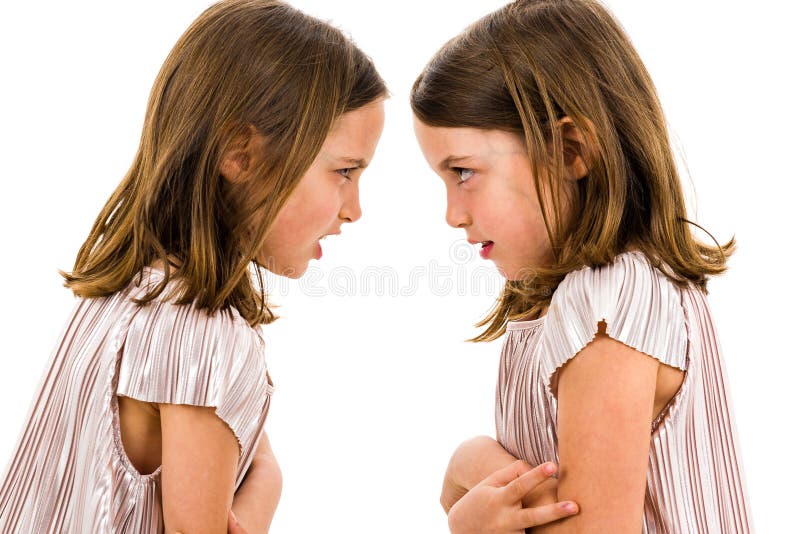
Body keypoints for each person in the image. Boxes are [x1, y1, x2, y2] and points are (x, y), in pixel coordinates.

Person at [0, 1, 386, 532]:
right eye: (344, 171)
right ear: (239, 154)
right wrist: (269, 481)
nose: (354, 209)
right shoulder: (207, 337)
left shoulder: (119, 298)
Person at [411, 0, 753, 532]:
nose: (453, 214)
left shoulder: (609, 303)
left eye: (463, 172)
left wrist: (471, 465)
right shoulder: (580, 302)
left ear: (571, 151)